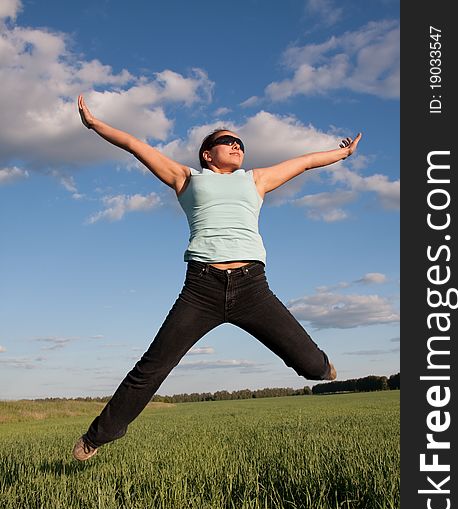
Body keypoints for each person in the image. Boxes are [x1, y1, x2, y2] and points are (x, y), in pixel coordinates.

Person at [73, 94, 362, 461]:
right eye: (228, 141)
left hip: (252, 288)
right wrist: (95, 125)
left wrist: (343, 154)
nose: (237, 146)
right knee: (153, 366)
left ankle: (321, 366)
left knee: (312, 367)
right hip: (201, 289)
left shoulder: (255, 180)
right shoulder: (186, 179)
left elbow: (304, 163)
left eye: (240, 143)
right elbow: (135, 146)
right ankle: (97, 437)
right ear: (207, 154)